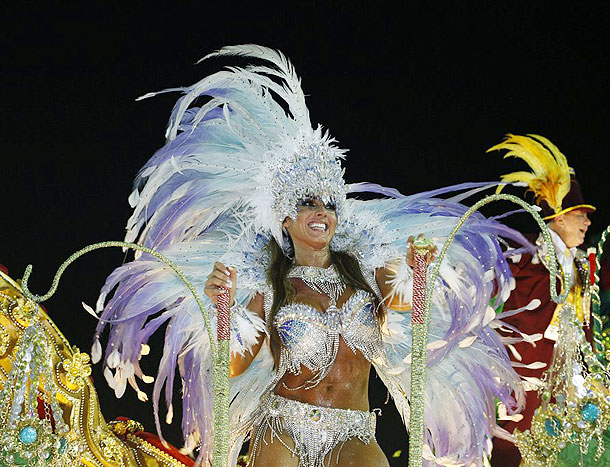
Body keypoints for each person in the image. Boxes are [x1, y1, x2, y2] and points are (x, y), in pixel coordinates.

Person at [90, 46, 528, 466]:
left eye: (329, 205)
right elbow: (232, 369)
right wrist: (223, 313)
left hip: (355, 429)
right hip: (285, 424)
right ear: (285, 219)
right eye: (306, 203)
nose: (321, 212)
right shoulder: (269, 284)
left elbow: (406, 304)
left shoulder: (368, 269)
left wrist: (418, 268)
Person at [486, 134, 610, 466]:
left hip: (572, 375)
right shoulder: (524, 253)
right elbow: (490, 286)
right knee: (516, 446)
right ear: (560, 217)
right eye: (582, 216)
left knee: (568, 449)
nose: (589, 223)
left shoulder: (581, 262)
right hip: (527, 373)